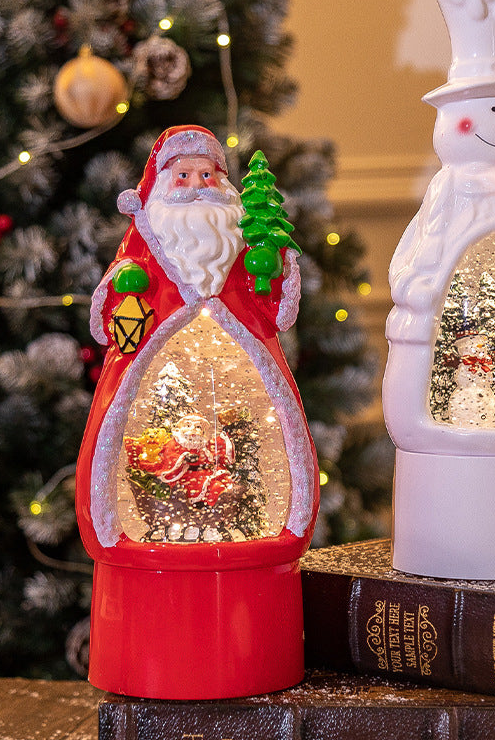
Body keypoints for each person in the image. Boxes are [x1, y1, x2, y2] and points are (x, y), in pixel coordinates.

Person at [77, 125, 317, 549]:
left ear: (222, 181)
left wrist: (278, 264)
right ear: (162, 185)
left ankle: (278, 521)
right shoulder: (148, 244)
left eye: (206, 176)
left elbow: (274, 309)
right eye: (182, 177)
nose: (195, 188)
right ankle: (122, 531)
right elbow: (117, 307)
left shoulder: (241, 246)